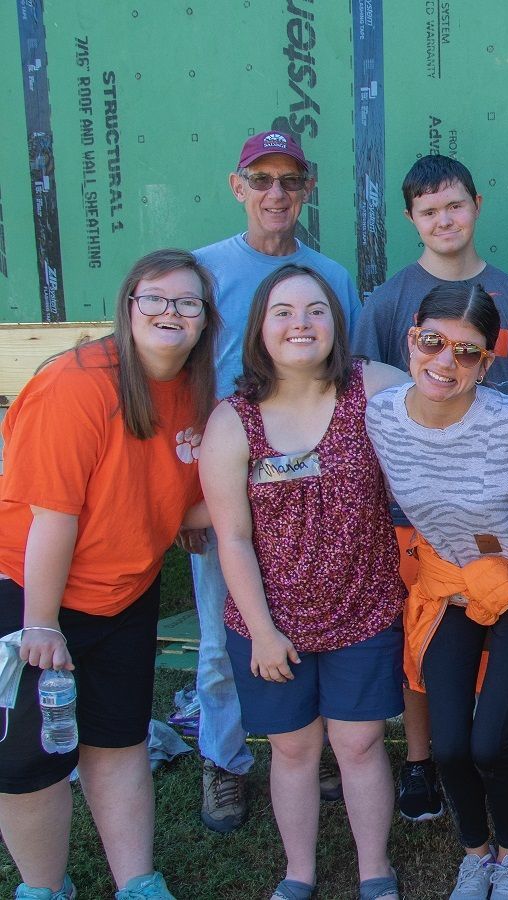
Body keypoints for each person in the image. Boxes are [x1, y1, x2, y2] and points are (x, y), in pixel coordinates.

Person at [0, 249, 220, 900]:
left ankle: (138, 883)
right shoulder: (78, 384)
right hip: (29, 588)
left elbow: (183, 490)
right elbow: (55, 518)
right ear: (127, 308)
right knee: (29, 760)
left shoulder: (195, 388)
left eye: (187, 302)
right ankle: (44, 888)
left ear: (206, 320)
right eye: (154, 298)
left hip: (125, 589)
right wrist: (40, 622)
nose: (170, 312)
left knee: (117, 738)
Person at [364, 282, 508, 900]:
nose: (445, 362)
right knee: (450, 744)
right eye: (432, 342)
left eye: (467, 352)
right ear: (411, 340)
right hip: (447, 583)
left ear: (488, 363)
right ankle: (476, 853)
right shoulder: (379, 417)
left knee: (491, 740)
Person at [352, 154, 508, 823]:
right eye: (428, 209)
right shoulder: (387, 302)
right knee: (424, 640)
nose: (444, 220)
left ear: (476, 205)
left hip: (497, 504)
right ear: (411, 218)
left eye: (454, 205)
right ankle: (421, 761)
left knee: (503, 625)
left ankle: (494, 748)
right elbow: (367, 393)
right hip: (416, 509)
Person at [198, 265, 407, 900]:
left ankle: (375, 871)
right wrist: (261, 631)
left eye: (316, 311)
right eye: (283, 313)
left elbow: (450, 402)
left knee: (359, 742)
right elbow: (229, 537)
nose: (301, 324)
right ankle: (299, 874)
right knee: (292, 750)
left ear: (336, 324)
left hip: (363, 608)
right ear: (259, 328)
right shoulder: (233, 421)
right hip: (270, 623)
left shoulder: (374, 387)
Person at [191, 129, 363, 833]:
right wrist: (186, 496)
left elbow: (352, 380)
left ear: (307, 190)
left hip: (311, 482)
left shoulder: (331, 277)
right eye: (261, 179)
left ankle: (306, 749)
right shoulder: (201, 272)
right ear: (237, 187)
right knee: (220, 631)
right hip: (227, 476)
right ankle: (225, 761)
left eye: (289, 180)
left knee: (315, 618)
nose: (275, 193)